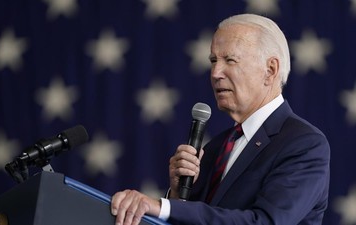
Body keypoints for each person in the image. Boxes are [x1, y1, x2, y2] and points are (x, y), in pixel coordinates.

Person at [111, 13, 330, 225]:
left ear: (270, 70)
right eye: (213, 60)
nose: (216, 72)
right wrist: (178, 195)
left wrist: (165, 207)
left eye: (230, 60)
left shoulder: (304, 144)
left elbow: (266, 222)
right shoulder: (216, 147)